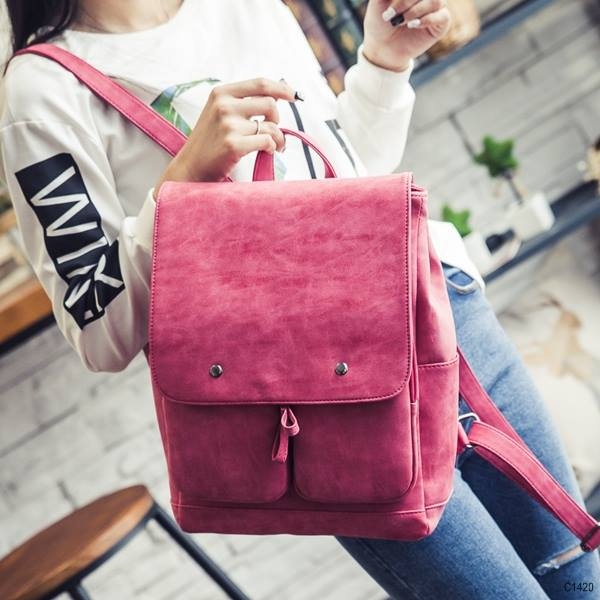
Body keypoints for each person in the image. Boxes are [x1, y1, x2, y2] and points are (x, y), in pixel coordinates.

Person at [0, 1, 598, 598]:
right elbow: (101, 332)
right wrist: (182, 185)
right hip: (330, 401)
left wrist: (384, 64)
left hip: (447, 315)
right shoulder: (43, 89)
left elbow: (350, 173)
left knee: (578, 579)